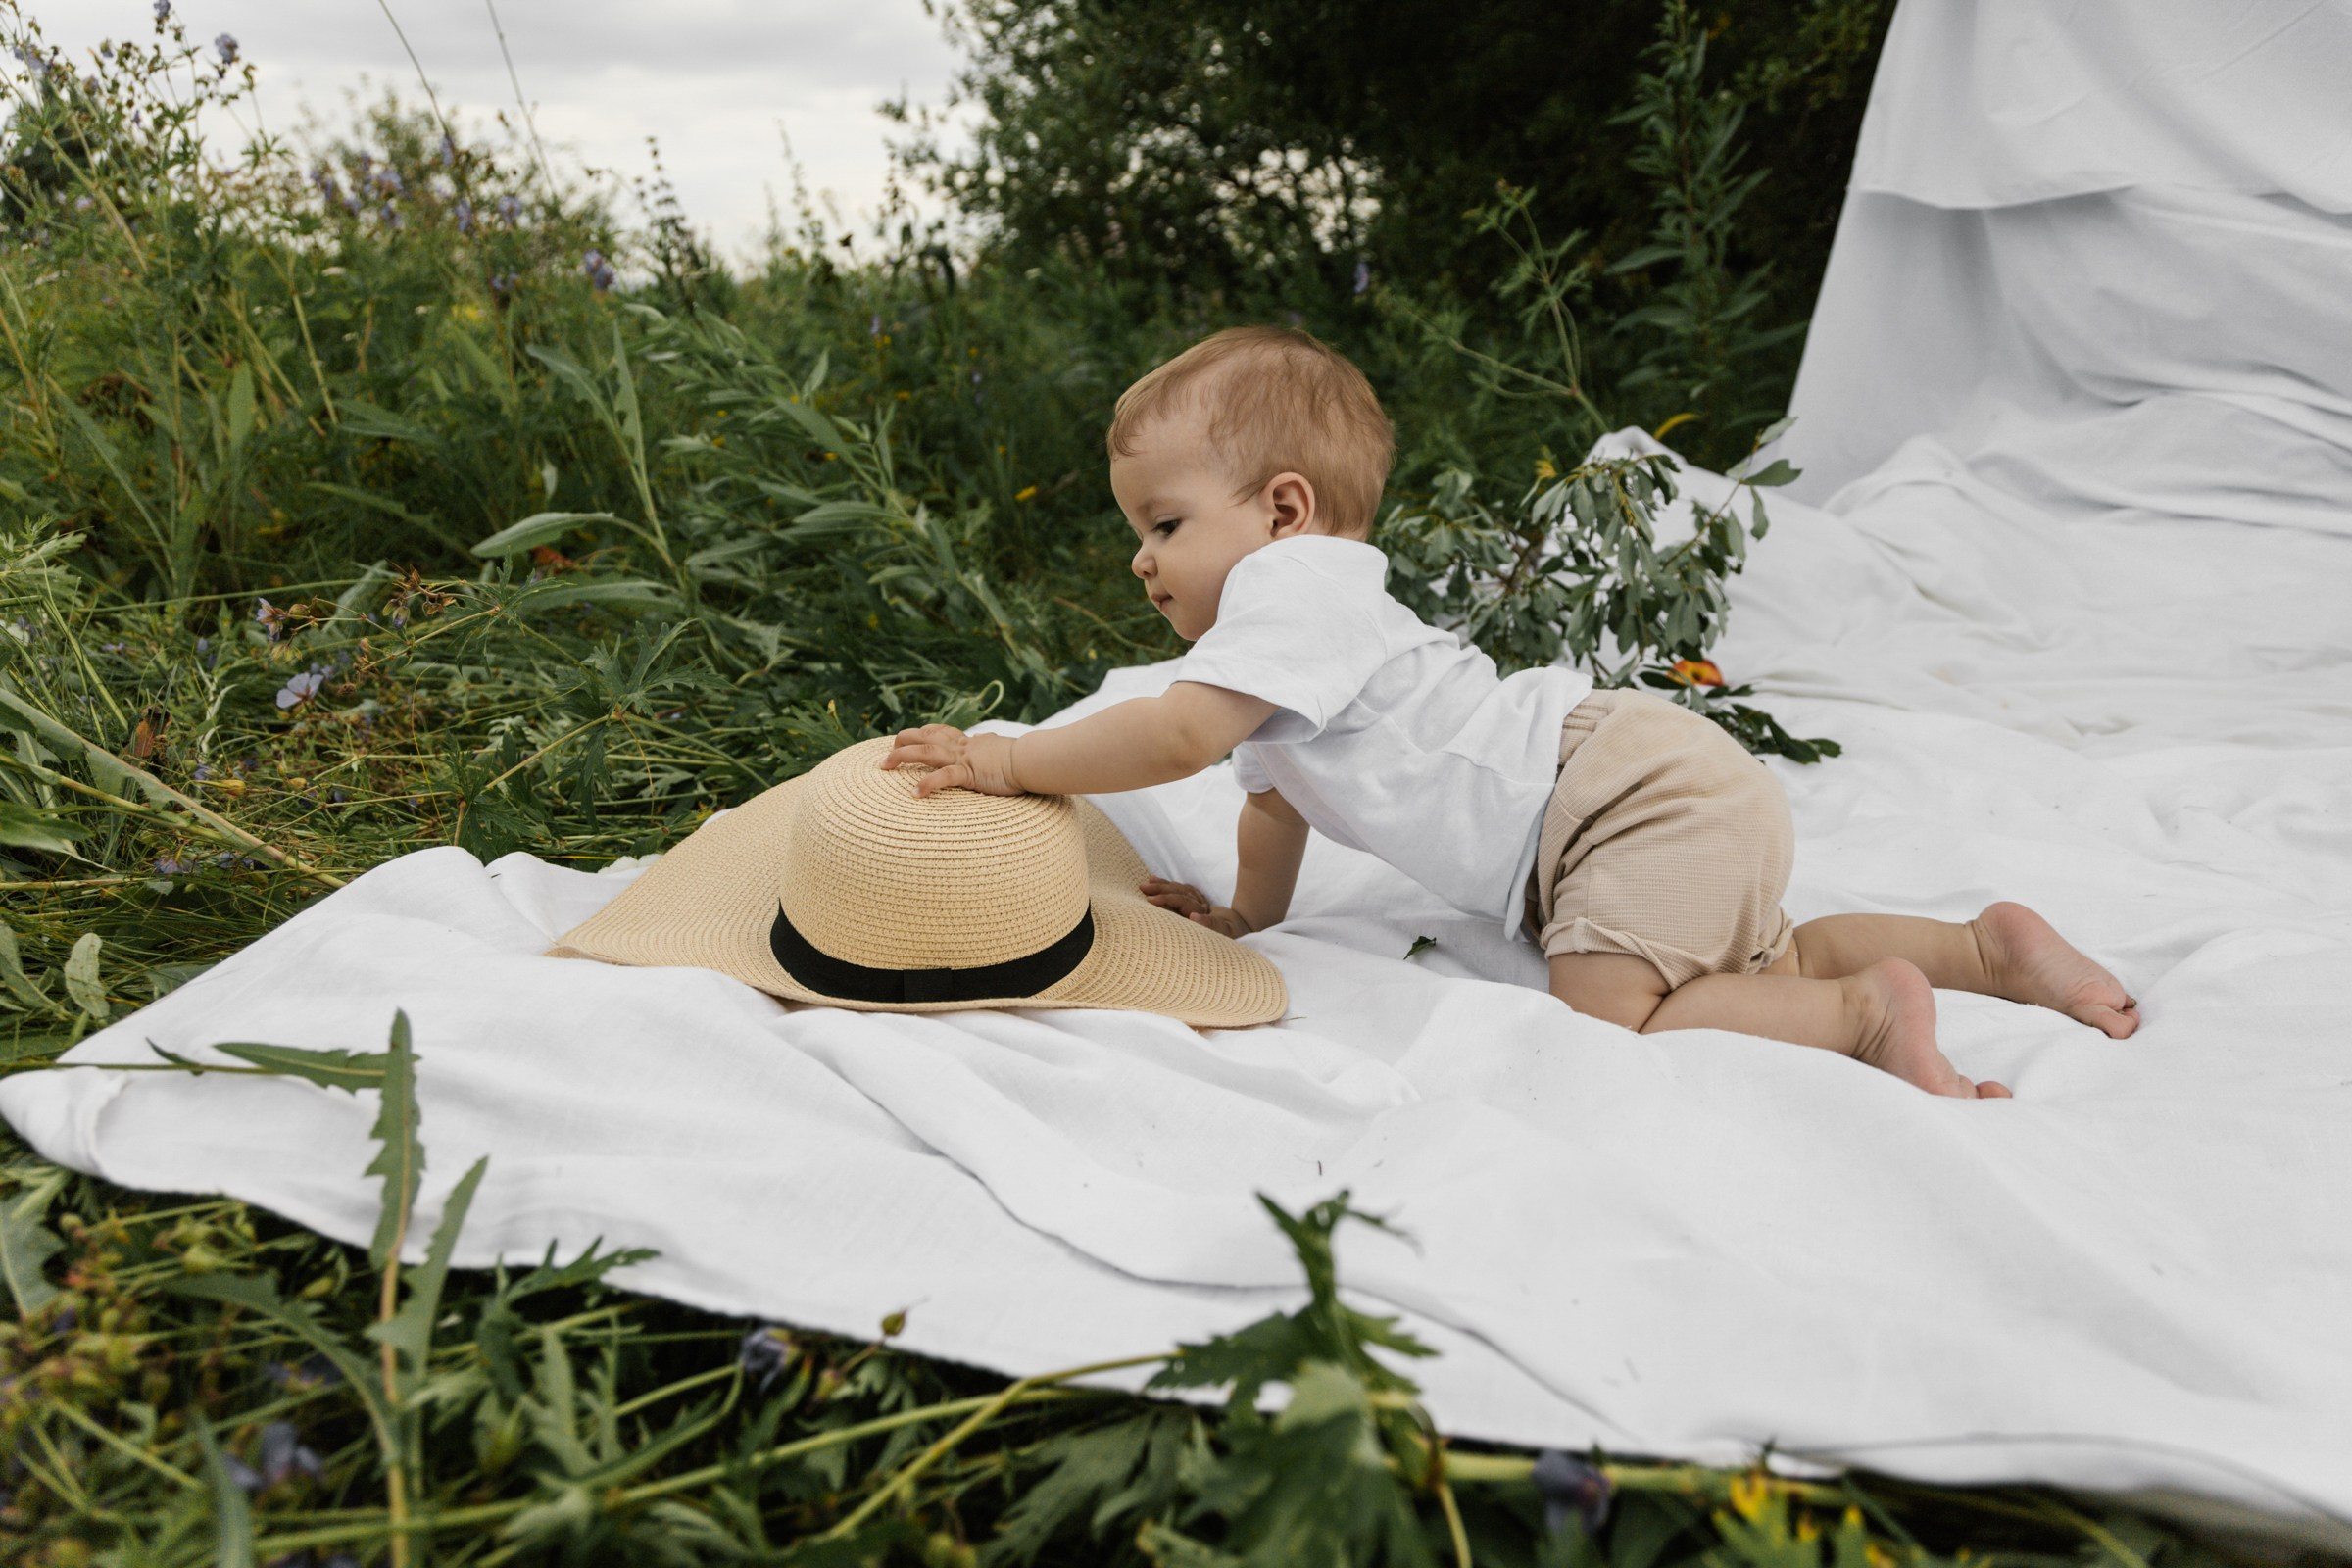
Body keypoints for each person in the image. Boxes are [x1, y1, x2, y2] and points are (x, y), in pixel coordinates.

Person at [880, 326, 2140, 1097]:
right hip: (1650, 787)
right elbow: (1270, 806)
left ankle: (1865, 1018)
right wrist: (1244, 918)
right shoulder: (1291, 656)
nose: (1142, 564)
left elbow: (1172, 734)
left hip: (1609, 805)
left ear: (1281, 510)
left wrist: (1007, 760)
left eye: (1163, 526)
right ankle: (1980, 951)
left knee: (1616, 1014)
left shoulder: (1292, 591)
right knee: (1750, 958)